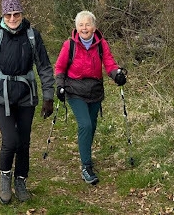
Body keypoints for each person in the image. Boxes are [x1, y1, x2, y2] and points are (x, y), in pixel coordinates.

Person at [0, 0, 55, 204]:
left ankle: (21, 180)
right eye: (8, 15)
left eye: (16, 14)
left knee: (23, 141)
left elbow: (44, 67)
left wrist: (48, 97)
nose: (13, 18)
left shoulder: (32, 36)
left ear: (21, 14)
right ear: (3, 16)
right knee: (10, 140)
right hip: (1, 95)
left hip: (25, 95)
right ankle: (5, 178)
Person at [53, 10, 126, 185]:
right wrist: (60, 85)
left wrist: (117, 75)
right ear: (76, 27)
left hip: (95, 91)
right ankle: (86, 166)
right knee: (85, 124)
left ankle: (85, 153)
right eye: (81, 25)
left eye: (87, 24)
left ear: (94, 27)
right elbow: (60, 67)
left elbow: (109, 63)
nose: (84, 28)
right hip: (74, 90)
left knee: (91, 126)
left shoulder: (101, 44)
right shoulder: (69, 45)